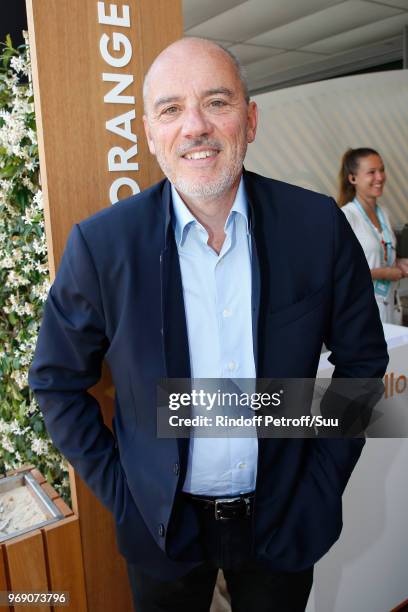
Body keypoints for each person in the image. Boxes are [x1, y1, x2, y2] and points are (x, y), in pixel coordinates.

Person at [29, 38, 388, 612]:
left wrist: (321, 482)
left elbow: (364, 363)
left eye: (216, 102)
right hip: (161, 530)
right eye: (171, 109)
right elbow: (55, 382)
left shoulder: (314, 226)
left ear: (249, 120)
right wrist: (127, 496)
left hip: (285, 517)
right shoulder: (103, 246)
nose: (194, 125)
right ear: (150, 134)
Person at [338, 147, 407, 324]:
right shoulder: (346, 216)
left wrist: (397, 263)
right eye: (371, 172)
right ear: (352, 178)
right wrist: (382, 273)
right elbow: (339, 272)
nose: (380, 177)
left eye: (382, 170)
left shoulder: (384, 213)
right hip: (362, 312)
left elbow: (378, 252)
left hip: (390, 308)